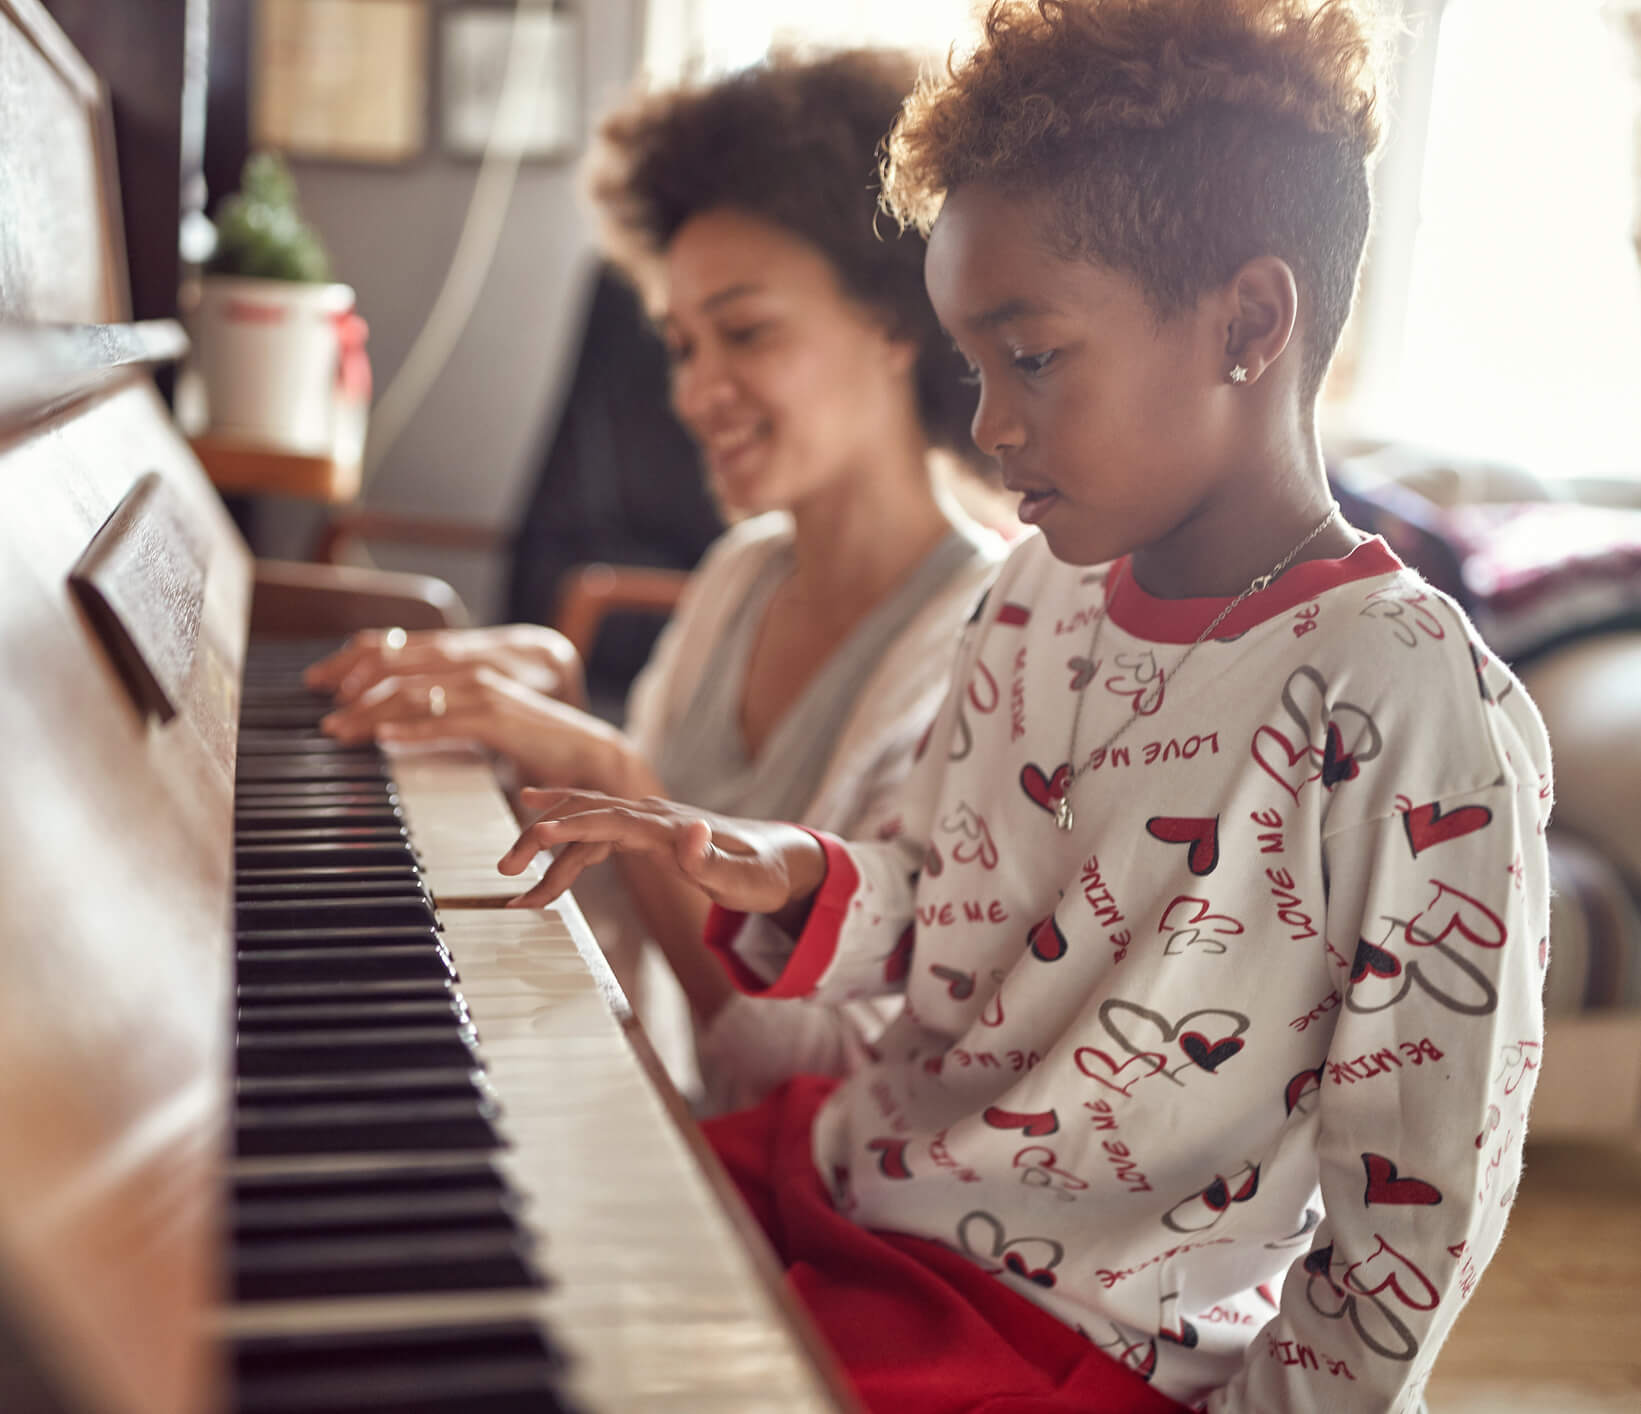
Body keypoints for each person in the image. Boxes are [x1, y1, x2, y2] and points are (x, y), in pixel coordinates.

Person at [496, 2, 1553, 1411]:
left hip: (1053, 1340)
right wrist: (789, 868)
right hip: (842, 1186)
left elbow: (1419, 1198)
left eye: (1032, 357)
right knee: (502, 1231)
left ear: (1247, 322)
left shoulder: (1409, 697)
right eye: (973, 366)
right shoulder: (1031, 596)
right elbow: (945, 895)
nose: (988, 422)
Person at [309, 50, 1009, 1113]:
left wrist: (617, 775)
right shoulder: (740, 576)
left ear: (896, 321)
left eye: (746, 332)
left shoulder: (985, 640)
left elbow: (824, 1076)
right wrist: (544, 707)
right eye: (682, 345)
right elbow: (620, 920)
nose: (693, 392)